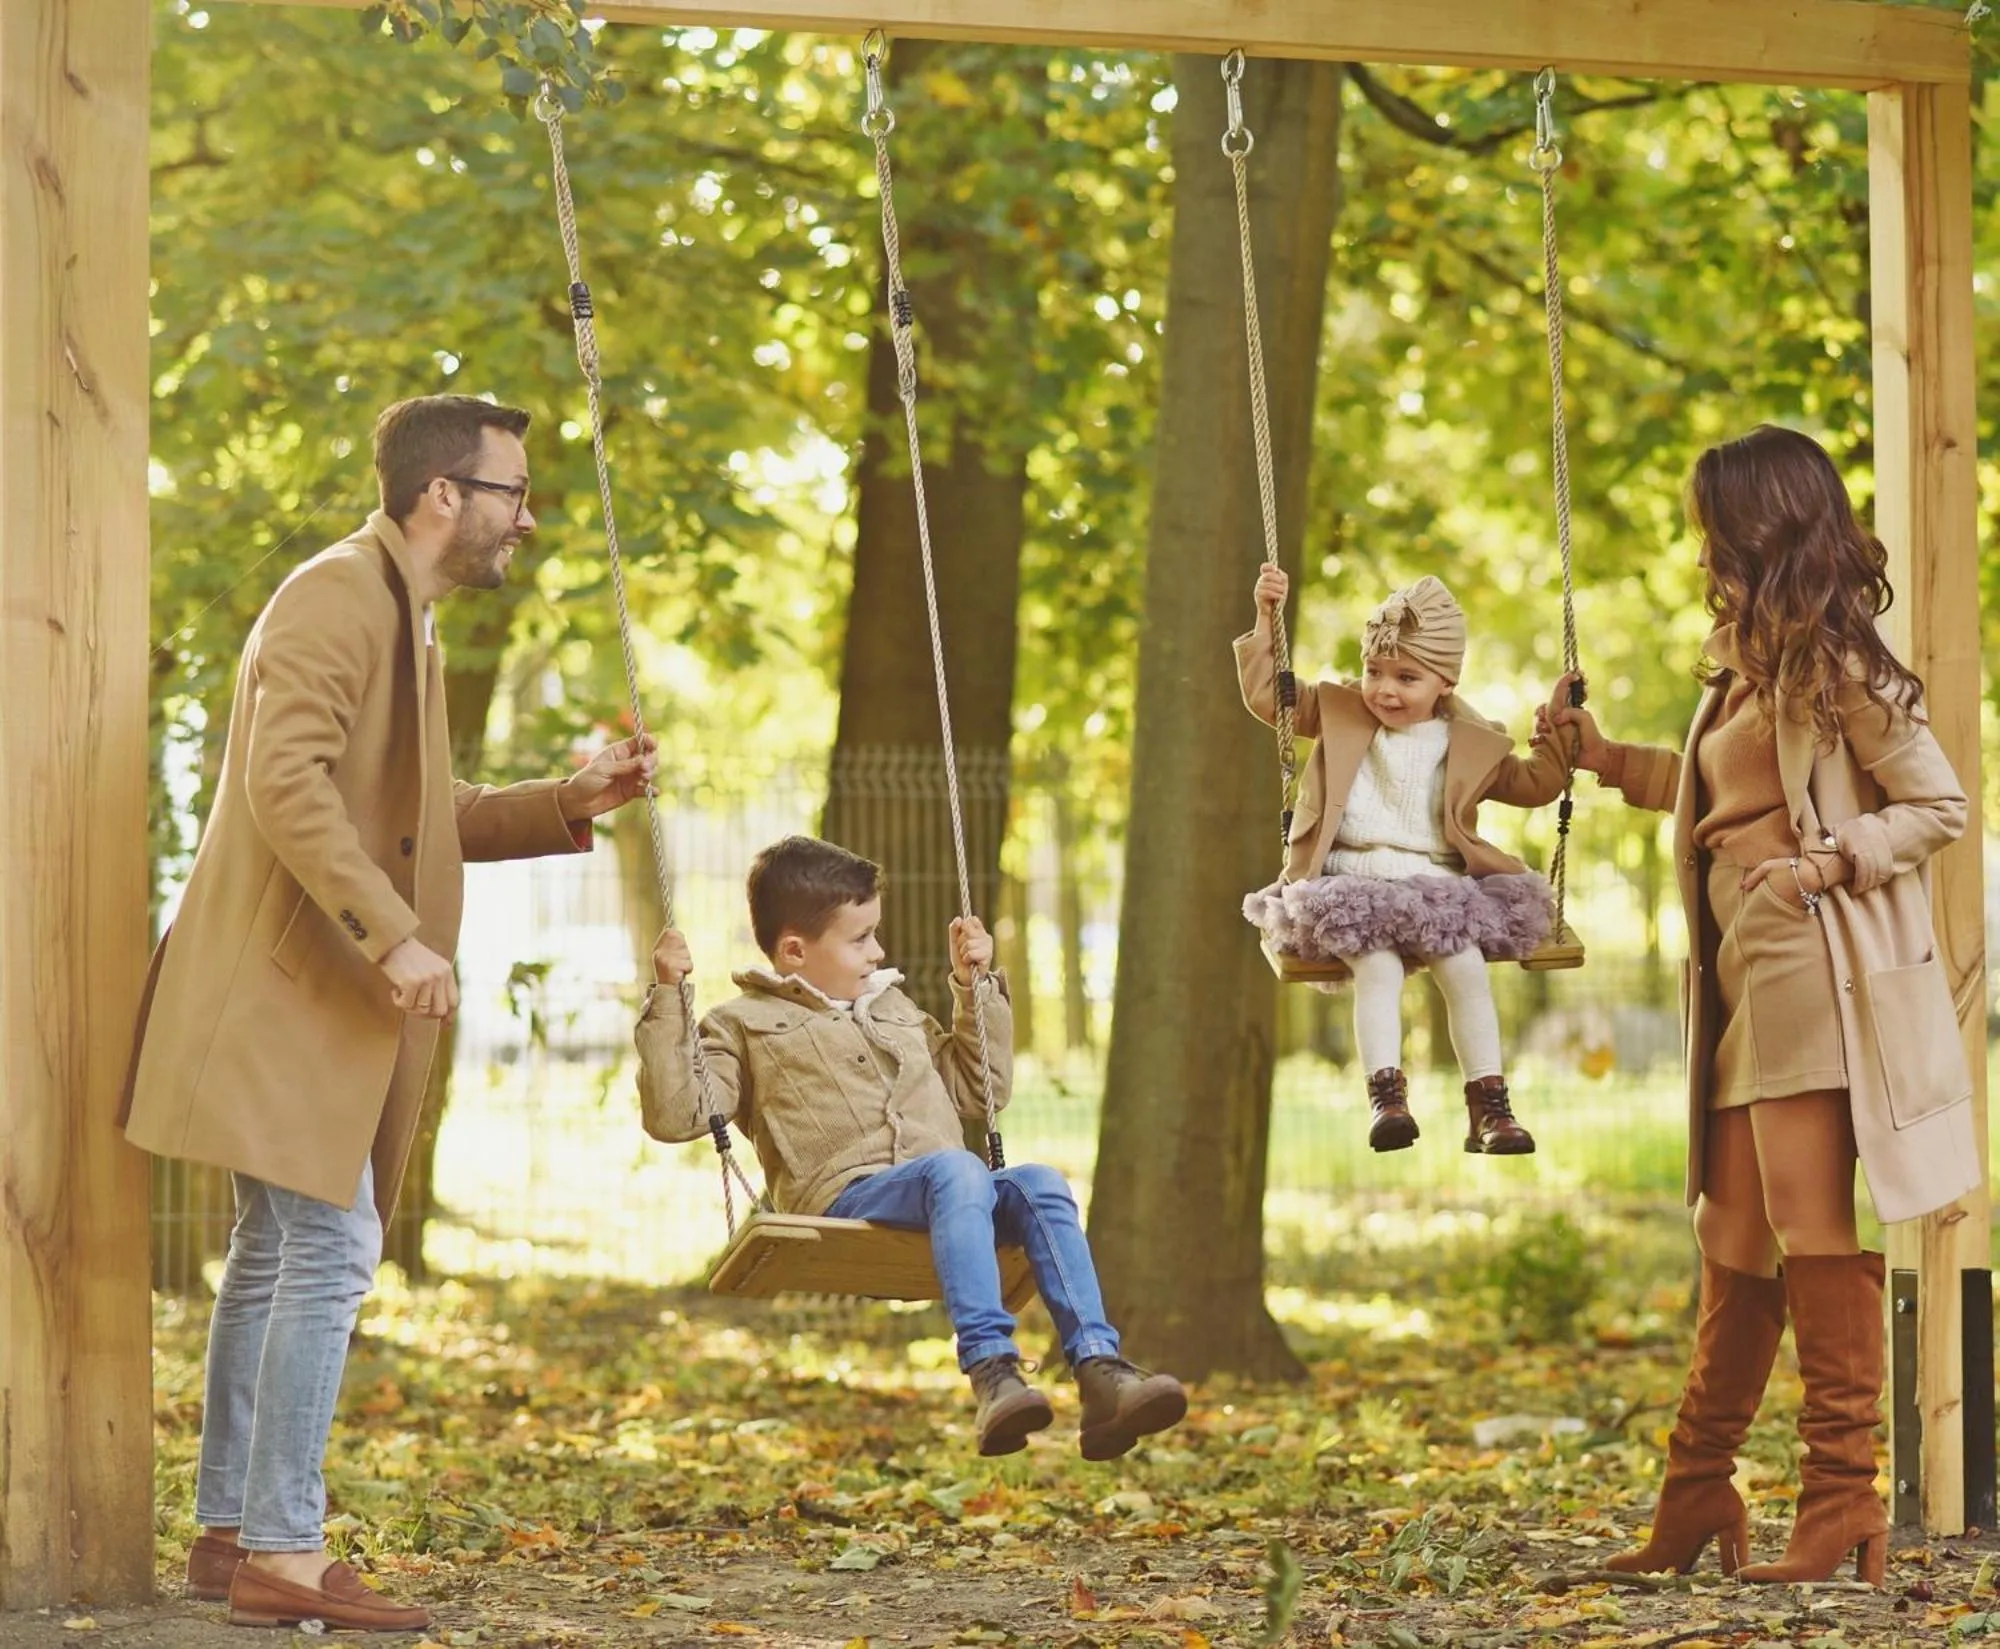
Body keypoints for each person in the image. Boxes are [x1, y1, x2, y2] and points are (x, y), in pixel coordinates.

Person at [124, 394, 657, 1631]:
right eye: (512, 492)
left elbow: (416, 809)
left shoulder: (394, 611)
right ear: (442, 498)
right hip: (285, 993)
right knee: (330, 1247)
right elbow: (283, 780)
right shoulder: (334, 594)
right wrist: (396, 935)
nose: (527, 516)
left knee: (273, 1256)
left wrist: (566, 796)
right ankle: (286, 1554)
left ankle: (229, 1533)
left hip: (303, 997)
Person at [1544, 424, 1975, 1586]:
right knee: (1727, 1232)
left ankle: (1842, 1498)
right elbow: (1711, 803)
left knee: (1803, 1222)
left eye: (1711, 530)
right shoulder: (1742, 663)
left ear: (1759, 527)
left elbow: (1937, 805)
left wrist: (1828, 859)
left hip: (1808, 971)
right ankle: (1694, 1493)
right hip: (1738, 973)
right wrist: (1597, 757)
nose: (1698, 553)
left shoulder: (1841, 668)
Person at [637, 835, 1188, 1460]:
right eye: (860, 938)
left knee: (1040, 1184)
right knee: (957, 1170)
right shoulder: (741, 1024)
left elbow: (982, 1090)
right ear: (795, 950)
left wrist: (971, 989)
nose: (877, 951)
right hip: (848, 1199)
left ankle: (1100, 1372)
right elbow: (678, 1114)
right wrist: (667, 1001)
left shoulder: (892, 1008)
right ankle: (992, 1371)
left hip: (952, 1190)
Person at [1237, 567, 1573, 1155]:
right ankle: (1386, 1098)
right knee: (1378, 969)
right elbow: (1268, 695)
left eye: (1406, 677)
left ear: (1445, 680)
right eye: (1375, 671)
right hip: (1354, 883)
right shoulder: (1337, 709)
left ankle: (1489, 1109)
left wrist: (1560, 730)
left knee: (1466, 969)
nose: (1385, 689)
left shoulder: (1471, 739)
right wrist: (1267, 619)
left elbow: (1537, 783)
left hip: (1436, 886)